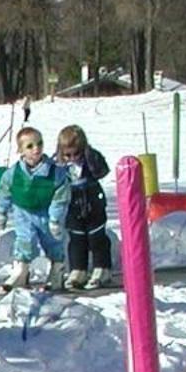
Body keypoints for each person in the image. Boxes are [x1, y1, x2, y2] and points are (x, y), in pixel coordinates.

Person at [0, 125, 69, 292]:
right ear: (21, 150)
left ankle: (57, 270)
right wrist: (2, 212)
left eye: (39, 144)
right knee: (25, 240)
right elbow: (5, 191)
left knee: (53, 241)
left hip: (46, 213)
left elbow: (61, 195)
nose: (36, 149)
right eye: (30, 146)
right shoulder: (13, 173)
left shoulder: (55, 173)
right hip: (24, 213)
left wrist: (56, 218)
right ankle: (21, 270)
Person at [56, 124, 113, 289]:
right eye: (68, 154)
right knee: (76, 238)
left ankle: (102, 268)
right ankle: (78, 269)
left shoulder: (90, 159)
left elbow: (102, 171)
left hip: (92, 200)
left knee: (97, 237)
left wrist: (89, 155)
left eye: (76, 153)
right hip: (72, 204)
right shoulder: (60, 164)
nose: (72, 158)